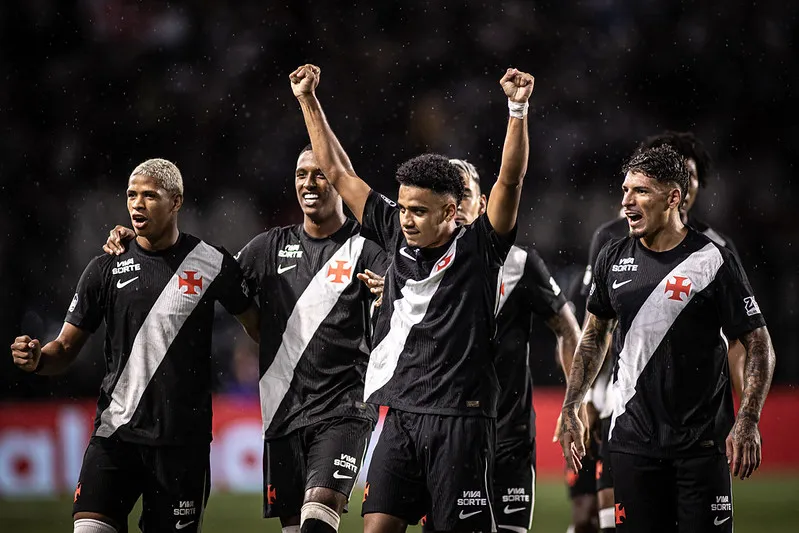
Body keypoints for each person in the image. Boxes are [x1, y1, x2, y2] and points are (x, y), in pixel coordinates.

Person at [290, 63, 533, 532]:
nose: (405, 219)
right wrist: (308, 100)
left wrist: (517, 109)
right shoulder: (392, 232)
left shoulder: (480, 248)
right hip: (400, 416)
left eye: (419, 211)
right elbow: (339, 173)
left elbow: (510, 182)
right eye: (402, 208)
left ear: (450, 210)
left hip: (460, 423)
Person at [104, 147, 388, 533]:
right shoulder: (266, 248)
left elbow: (401, 295)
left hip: (345, 408)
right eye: (301, 174)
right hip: (283, 412)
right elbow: (209, 274)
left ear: (338, 181)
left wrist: (388, 293)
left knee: (320, 514)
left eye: (320, 174)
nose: (309, 182)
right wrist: (137, 243)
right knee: (295, 526)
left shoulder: (367, 249)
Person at [10, 158, 259, 533]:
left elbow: (259, 327)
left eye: (149, 195)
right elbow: (63, 349)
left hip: (182, 446)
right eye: (131, 195)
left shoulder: (210, 261)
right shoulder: (105, 267)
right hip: (115, 437)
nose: (137, 204)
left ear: (176, 201)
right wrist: (36, 360)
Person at [557, 145, 776, 533]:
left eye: (640, 191)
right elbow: (593, 338)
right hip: (632, 441)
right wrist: (573, 404)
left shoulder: (714, 260)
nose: (626, 202)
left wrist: (748, 419)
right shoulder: (612, 256)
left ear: (673, 197)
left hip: (702, 446)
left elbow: (758, 342)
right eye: (624, 190)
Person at [359, 158, 582, 533]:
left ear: (481, 205)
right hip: (446, 419)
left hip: (505, 432)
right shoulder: (415, 262)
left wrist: (576, 399)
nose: (458, 204)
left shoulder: (518, 261)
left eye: (465, 195)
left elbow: (568, 329)